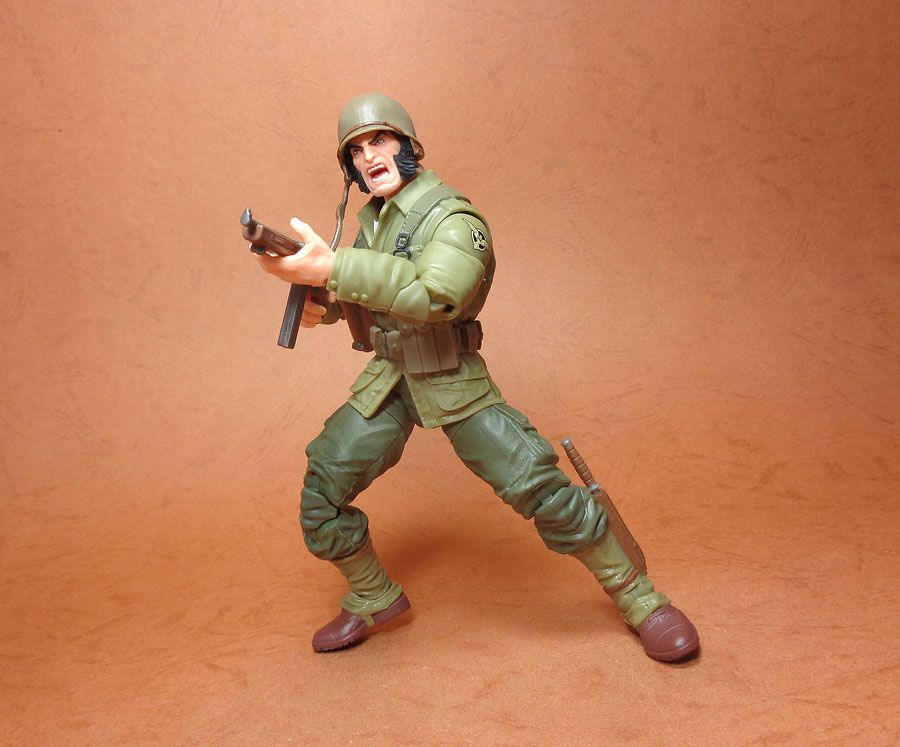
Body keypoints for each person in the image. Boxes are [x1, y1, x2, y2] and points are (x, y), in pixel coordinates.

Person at [253, 93, 699, 662]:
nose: (370, 157)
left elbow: (437, 295)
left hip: (451, 377)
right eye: (357, 151)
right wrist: (324, 301)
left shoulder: (455, 219)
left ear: (407, 145)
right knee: (323, 487)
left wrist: (335, 266)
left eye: (380, 141)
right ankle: (372, 594)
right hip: (391, 378)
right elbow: (371, 296)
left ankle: (640, 598)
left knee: (540, 488)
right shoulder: (375, 223)